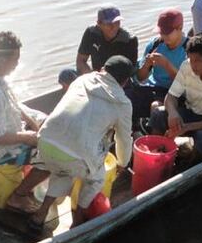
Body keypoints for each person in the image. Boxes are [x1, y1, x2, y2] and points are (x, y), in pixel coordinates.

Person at [29, 56, 135, 231]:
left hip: (45, 142)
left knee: (62, 170)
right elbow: (123, 139)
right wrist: (123, 163)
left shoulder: (82, 79)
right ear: (125, 81)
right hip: (72, 155)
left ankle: (40, 215)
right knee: (96, 178)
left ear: (102, 69)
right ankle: (78, 219)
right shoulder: (122, 103)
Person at [0, 31, 51, 214]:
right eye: (15, 59)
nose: (17, 64)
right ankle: (18, 197)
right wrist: (29, 137)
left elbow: (12, 103)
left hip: (0, 137)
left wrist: (33, 121)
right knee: (53, 158)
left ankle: (26, 179)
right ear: (1, 61)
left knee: (45, 122)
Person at [128, 8, 188, 119]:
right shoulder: (155, 44)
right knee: (125, 98)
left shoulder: (188, 50)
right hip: (152, 88)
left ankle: (153, 133)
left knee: (156, 107)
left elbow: (186, 85)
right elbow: (140, 78)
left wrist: (166, 65)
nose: (164, 36)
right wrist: (146, 65)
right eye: (161, 32)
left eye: (168, 33)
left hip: (173, 93)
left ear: (180, 28)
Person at [75, 5, 139, 76]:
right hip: (97, 75)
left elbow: (130, 72)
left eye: (117, 22)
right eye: (109, 24)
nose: (114, 27)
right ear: (99, 23)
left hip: (119, 80)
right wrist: (93, 77)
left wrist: (107, 82)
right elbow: (81, 61)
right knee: (67, 74)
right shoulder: (91, 32)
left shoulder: (129, 39)